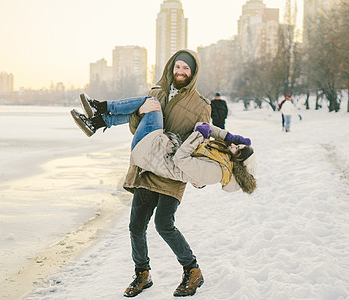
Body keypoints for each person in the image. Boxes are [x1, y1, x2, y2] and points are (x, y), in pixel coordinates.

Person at [73, 50, 212, 298]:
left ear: (193, 73)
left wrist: (198, 172)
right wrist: (138, 113)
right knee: (136, 227)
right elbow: (136, 128)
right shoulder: (156, 92)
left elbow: (200, 141)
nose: (181, 72)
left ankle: (192, 271)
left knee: (164, 225)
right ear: (171, 67)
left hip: (171, 170)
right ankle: (142, 274)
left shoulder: (201, 105)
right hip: (148, 166)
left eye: (186, 69)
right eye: (178, 67)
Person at [71, 96, 257, 194]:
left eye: (237, 150)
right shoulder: (223, 159)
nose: (233, 146)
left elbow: (181, 158)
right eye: (236, 145)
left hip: (151, 151)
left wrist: (199, 135)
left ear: (239, 162)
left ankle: (101, 109)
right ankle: (96, 122)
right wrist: (230, 136)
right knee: (146, 108)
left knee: (152, 103)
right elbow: (209, 129)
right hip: (156, 147)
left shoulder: (216, 172)